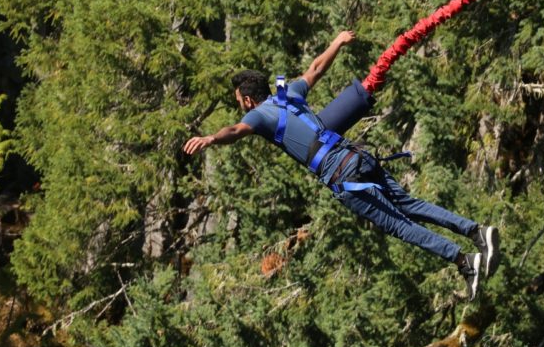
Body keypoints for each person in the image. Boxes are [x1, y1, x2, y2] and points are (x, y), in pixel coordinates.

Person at [182, 31, 500, 300]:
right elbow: (316, 69)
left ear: (248, 101)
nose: (241, 109)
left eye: (239, 103)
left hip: (340, 173)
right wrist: (337, 42)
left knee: (400, 225)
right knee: (409, 204)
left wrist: (211, 138)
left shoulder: (257, 115)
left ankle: (464, 261)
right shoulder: (287, 93)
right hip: (356, 155)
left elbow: (236, 131)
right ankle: (476, 231)